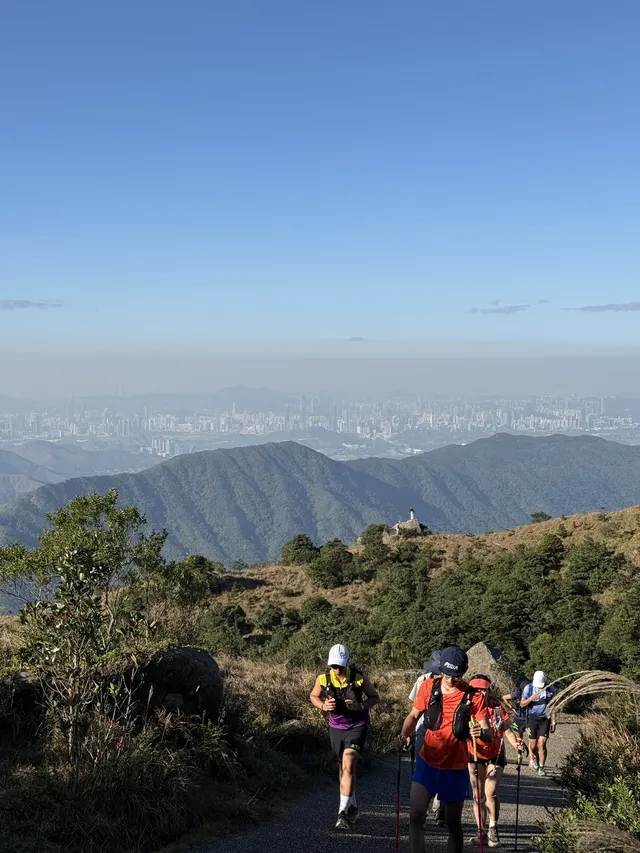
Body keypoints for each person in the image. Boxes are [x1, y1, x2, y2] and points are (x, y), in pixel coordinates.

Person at [401, 646, 492, 853]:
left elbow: (487, 733)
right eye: (448, 675)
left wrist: (481, 733)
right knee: (416, 815)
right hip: (427, 761)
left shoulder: (474, 697)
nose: (451, 680)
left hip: (455, 767)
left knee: (453, 824)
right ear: (441, 670)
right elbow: (414, 715)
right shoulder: (428, 687)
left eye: (457, 675)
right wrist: (404, 734)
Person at [310, 643, 380, 830]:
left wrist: (360, 706)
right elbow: (314, 696)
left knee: (349, 761)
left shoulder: (359, 677)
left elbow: (374, 697)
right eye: (334, 666)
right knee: (344, 769)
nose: (337, 669)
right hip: (336, 727)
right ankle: (353, 806)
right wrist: (323, 706)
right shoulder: (323, 679)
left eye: (340, 666)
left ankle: (341, 814)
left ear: (346, 663)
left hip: (357, 725)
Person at [467, 675, 513, 848]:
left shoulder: (496, 709)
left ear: (488, 690)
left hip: (496, 753)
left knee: (490, 791)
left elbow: (507, 730)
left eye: (483, 689)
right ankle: (480, 831)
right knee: (478, 794)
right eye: (475, 689)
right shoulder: (466, 709)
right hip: (474, 754)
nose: (479, 692)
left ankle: (493, 828)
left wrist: (516, 743)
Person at [408, 652, 446, 829]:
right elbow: (414, 708)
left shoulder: (453, 684)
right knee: (422, 770)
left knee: (441, 769)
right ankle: (419, 813)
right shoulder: (423, 680)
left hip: (444, 733)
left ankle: (439, 808)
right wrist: (407, 731)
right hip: (423, 729)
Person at [519, 670, 556, 776]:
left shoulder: (551, 689)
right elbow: (522, 704)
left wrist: (553, 721)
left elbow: (554, 706)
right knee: (532, 744)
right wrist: (531, 698)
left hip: (545, 719)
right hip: (532, 718)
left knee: (542, 743)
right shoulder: (529, 688)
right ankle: (532, 758)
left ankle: (541, 767)